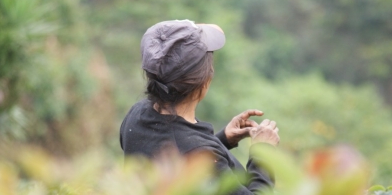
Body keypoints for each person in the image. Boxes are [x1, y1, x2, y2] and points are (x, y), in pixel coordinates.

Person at [120, 20, 280, 194]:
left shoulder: (136, 115)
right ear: (202, 84)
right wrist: (263, 153)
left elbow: (178, 150)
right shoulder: (200, 152)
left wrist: (222, 139)